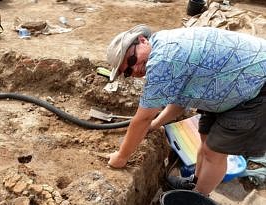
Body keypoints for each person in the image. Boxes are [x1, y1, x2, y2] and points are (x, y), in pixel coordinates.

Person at [106, 25, 266, 195]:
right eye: (129, 71)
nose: (136, 68)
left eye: (132, 60)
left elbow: (142, 118)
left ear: (142, 40)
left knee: (215, 151)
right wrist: (155, 124)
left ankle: (197, 202)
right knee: (205, 138)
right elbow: (179, 102)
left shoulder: (163, 59)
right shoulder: (163, 44)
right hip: (229, 84)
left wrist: (121, 157)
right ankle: (195, 184)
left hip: (257, 85)